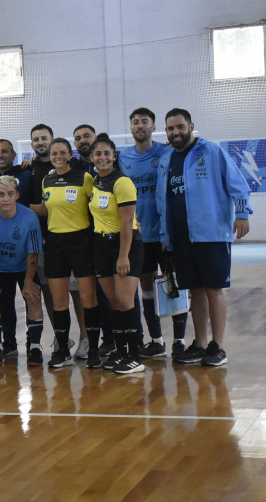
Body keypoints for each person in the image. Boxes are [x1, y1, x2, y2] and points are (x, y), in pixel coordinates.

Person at [156, 108, 252, 367]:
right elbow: (162, 199)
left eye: (180, 126)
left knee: (214, 289)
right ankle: (200, 344)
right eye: (171, 128)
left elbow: (238, 184)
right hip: (181, 238)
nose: (176, 132)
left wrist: (242, 214)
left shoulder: (211, 151)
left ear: (191, 126)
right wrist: (165, 234)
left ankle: (217, 347)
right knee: (195, 292)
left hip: (211, 235)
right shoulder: (166, 159)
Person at [118, 107, 188, 358]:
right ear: (131, 128)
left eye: (144, 121)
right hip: (140, 236)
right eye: (135, 122)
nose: (140, 125)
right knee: (146, 286)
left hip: (166, 233)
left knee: (175, 283)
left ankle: (179, 342)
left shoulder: (167, 152)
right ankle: (156, 341)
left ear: (153, 127)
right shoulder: (123, 158)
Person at [30, 138, 102, 369]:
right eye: (54, 153)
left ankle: (93, 349)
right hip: (55, 244)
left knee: (88, 299)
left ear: (70, 154)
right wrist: (18, 206)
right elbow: (45, 209)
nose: (58, 156)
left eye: (62, 152)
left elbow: (96, 207)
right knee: (59, 301)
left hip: (81, 242)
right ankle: (63, 350)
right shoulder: (47, 180)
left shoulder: (85, 178)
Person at [88, 135, 146, 374]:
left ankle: (135, 356)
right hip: (101, 245)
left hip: (124, 245)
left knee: (125, 300)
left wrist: (124, 256)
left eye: (106, 153)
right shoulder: (94, 181)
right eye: (98, 154)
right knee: (113, 302)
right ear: (92, 158)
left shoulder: (122, 182)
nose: (102, 158)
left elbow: (127, 222)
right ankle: (121, 352)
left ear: (114, 156)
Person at [0, 176, 43, 366]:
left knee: (33, 297)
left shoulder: (29, 217)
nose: (6, 199)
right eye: (1, 194)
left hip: (23, 264)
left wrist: (28, 282)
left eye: (10, 194)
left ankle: (35, 346)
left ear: (17, 195)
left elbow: (33, 254)